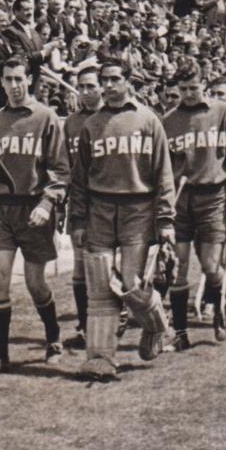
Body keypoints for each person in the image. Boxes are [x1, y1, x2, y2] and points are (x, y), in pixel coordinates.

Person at [68, 60, 175, 380]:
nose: (109, 85)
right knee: (99, 288)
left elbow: (163, 173)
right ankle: (100, 359)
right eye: (104, 80)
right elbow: (79, 179)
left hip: (138, 210)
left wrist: (165, 219)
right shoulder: (92, 124)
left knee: (131, 285)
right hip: (99, 210)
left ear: (129, 81)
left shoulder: (148, 120)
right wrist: (78, 220)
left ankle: (156, 325)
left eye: (115, 79)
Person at [0, 57, 70, 372]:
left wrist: (48, 203)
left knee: (35, 282)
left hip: (34, 208)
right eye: (8, 79)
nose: (14, 85)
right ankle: (1, 355)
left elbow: (61, 169)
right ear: (2, 82)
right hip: (3, 209)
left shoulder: (46, 117)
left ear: (29, 79)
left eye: (20, 78)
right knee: (1, 277)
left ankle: (53, 337)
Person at [162, 60, 226, 348]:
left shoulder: (222, 112)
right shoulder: (168, 121)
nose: (188, 94)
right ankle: (181, 333)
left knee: (211, 266)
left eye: (193, 88)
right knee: (178, 266)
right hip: (181, 201)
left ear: (204, 84)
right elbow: (162, 168)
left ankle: (220, 303)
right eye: (183, 89)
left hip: (213, 198)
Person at [61, 65, 102, 348]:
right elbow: (65, 164)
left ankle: (113, 319)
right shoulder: (72, 122)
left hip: (108, 201)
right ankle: (85, 327)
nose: (85, 91)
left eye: (90, 85)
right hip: (79, 201)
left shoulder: (111, 117)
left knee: (105, 266)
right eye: (81, 86)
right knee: (79, 267)